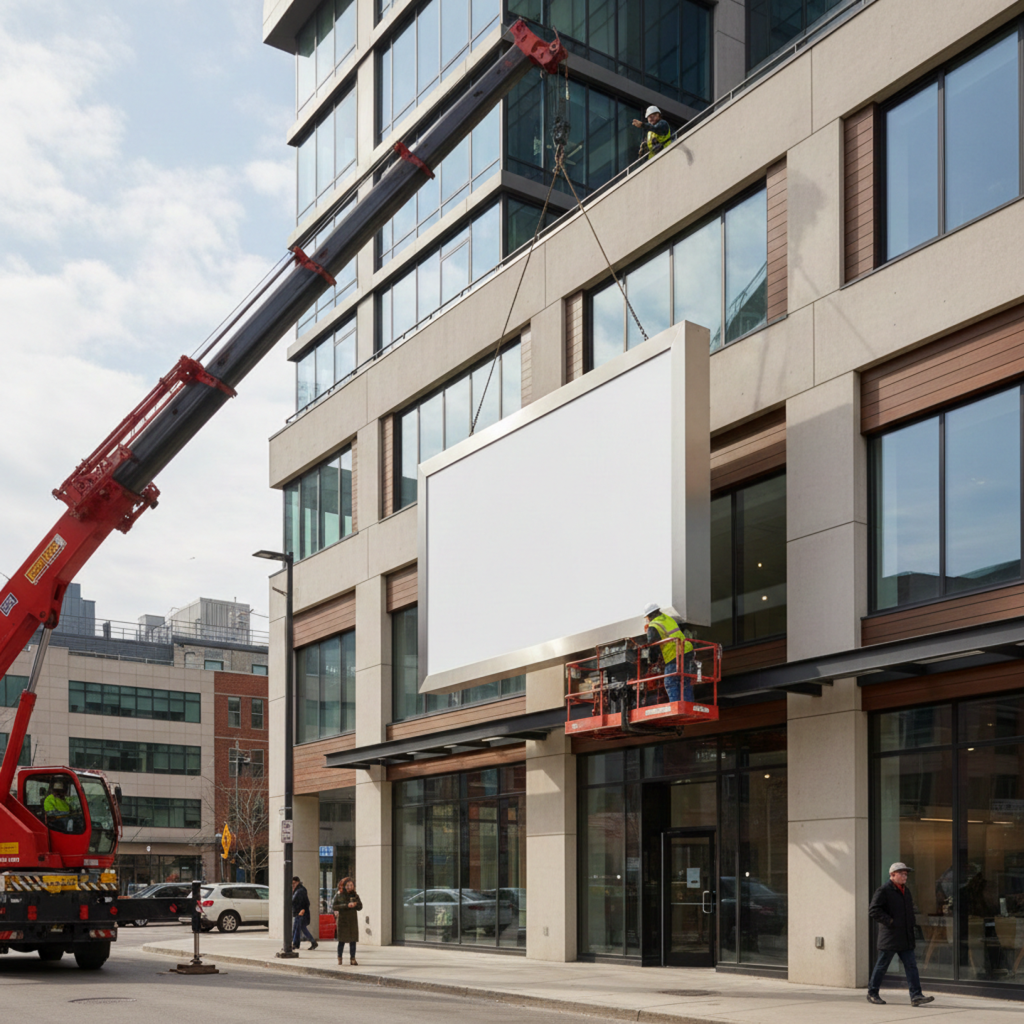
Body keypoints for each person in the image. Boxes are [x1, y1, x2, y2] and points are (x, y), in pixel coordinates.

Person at [867, 862, 934, 1006]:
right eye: (902, 874)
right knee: (882, 965)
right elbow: (873, 910)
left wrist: (912, 924)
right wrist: (890, 922)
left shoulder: (906, 890)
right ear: (892, 875)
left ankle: (916, 996)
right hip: (890, 936)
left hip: (905, 936)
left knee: (911, 966)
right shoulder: (883, 890)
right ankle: (872, 993)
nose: (905, 876)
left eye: (906, 874)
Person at [643, 603, 693, 702]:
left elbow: (653, 645)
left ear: (649, 616)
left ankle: (676, 705)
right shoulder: (668, 618)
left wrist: (652, 660)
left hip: (674, 654)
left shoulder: (653, 626)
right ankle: (688, 704)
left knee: (670, 681)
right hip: (687, 651)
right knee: (685, 680)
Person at [331, 876, 362, 966]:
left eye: (351, 885)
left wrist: (356, 904)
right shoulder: (339, 895)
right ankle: (339, 957)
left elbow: (360, 907)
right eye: (347, 885)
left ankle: (353, 958)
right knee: (342, 941)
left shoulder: (355, 895)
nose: (349, 887)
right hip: (342, 920)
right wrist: (346, 905)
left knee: (353, 941)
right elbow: (334, 906)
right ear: (343, 886)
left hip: (352, 921)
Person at [291, 876, 317, 950]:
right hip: (298, 912)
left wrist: (302, 910)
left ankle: (295, 944)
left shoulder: (300, 890)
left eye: (294, 883)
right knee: (300, 928)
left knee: (296, 928)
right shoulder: (297, 890)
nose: (293, 885)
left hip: (300, 912)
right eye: (292, 883)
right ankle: (312, 942)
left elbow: (305, 902)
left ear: (298, 882)